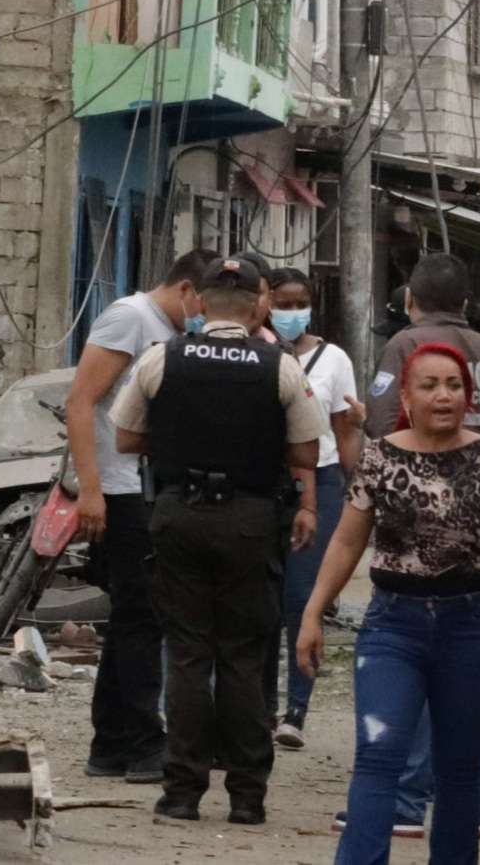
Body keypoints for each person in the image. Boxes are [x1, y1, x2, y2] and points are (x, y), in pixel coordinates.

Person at [299, 343, 480, 865]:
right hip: (392, 628)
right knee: (378, 756)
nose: (444, 396)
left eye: (455, 386)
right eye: (430, 385)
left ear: (468, 396)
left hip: (473, 629)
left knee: (459, 768)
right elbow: (346, 542)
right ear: (406, 397)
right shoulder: (379, 457)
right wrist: (312, 613)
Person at [109, 255, 323, 826]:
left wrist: (176, 439)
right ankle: (247, 796)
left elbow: (125, 436)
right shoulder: (281, 367)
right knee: (243, 657)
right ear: (258, 307)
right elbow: (307, 452)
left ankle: (181, 792)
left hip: (178, 516)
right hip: (250, 522)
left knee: (186, 655)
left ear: (200, 303)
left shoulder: (162, 358)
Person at [359, 255, 480, 841]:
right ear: (467, 303)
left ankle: (409, 800)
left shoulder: (407, 346)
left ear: (410, 301)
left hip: (422, 531)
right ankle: (479, 798)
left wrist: (428, 475)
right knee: (475, 682)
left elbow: (382, 426)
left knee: (421, 679)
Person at [62, 247, 219, 783]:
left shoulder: (171, 333)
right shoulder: (131, 317)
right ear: (187, 289)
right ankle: (145, 742)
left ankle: (111, 744)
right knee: (143, 621)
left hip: (145, 488)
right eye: (205, 303)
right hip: (121, 491)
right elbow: (80, 401)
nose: (205, 316)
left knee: (133, 618)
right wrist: (91, 489)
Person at [271, 266, 361, 752]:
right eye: (282, 305)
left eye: (299, 304)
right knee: (264, 598)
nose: (291, 313)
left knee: (303, 598)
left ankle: (296, 710)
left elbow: (345, 432)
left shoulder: (333, 359)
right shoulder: (259, 351)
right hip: (267, 482)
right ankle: (260, 703)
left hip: (321, 481)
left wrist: (357, 492)